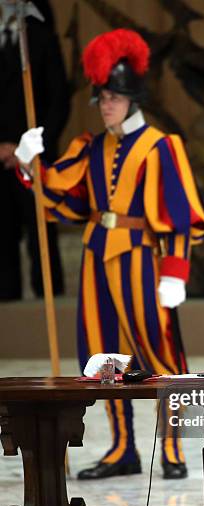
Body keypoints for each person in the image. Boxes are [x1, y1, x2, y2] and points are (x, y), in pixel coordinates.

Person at [15, 28, 204, 480]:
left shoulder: (161, 146)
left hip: (143, 258)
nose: (106, 105)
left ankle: (174, 450)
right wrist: (31, 164)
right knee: (104, 358)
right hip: (95, 258)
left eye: (114, 97)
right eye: (101, 97)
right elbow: (62, 191)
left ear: (132, 98)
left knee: (160, 354)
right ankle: (123, 449)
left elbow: (179, 214)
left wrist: (176, 272)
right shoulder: (91, 146)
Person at [0, 0, 68, 300]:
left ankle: (48, 311)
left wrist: (29, 148)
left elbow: (59, 101)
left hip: (35, 159)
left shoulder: (41, 38)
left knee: (42, 236)